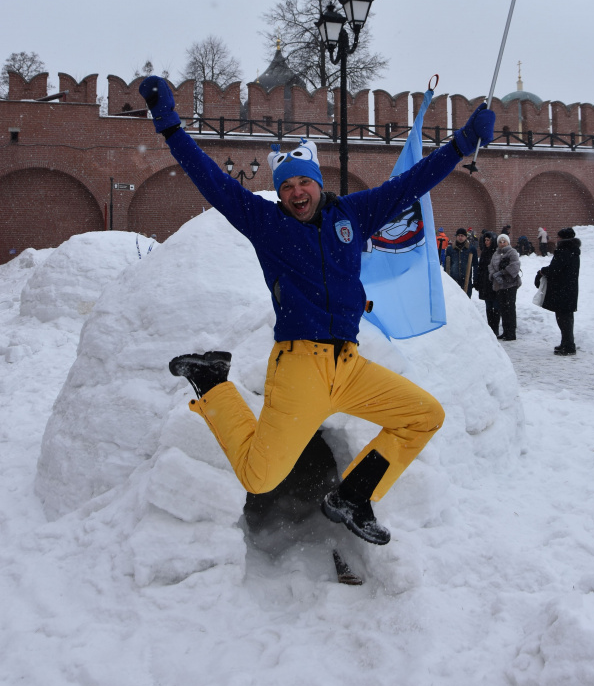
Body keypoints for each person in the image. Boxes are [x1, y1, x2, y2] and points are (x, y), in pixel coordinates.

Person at [139, 75, 495, 546]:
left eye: (305, 181)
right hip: (300, 368)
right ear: (280, 193)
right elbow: (213, 182)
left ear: (318, 182)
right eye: (287, 187)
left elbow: (412, 183)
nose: (297, 193)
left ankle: (353, 496)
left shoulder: (352, 214)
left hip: (348, 367)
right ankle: (214, 385)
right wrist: (169, 126)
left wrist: (461, 144)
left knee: (424, 415)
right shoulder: (266, 223)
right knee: (259, 478)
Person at [535, 226, 581, 355]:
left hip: (562, 289)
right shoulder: (574, 251)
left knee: (563, 318)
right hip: (570, 289)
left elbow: (555, 269)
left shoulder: (563, 251)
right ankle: (567, 343)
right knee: (567, 317)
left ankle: (568, 345)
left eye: (558, 237)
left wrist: (543, 271)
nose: (557, 239)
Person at [488, 233, 521, 340]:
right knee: (503, 309)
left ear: (508, 242)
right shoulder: (495, 254)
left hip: (510, 284)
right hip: (499, 285)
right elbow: (491, 266)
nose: (502, 244)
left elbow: (515, 266)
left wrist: (502, 273)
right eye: (500, 242)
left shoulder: (512, 252)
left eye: (504, 241)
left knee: (510, 308)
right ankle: (505, 331)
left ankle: (511, 332)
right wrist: (493, 275)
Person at [474, 230, 500, 335]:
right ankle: (490, 327)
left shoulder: (497, 252)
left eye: (488, 240)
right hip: (485, 282)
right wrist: (477, 281)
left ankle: (496, 328)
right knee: (488, 306)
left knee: (496, 306)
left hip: (494, 282)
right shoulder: (484, 252)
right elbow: (480, 268)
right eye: (485, 240)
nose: (486, 242)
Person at [445, 228, 477, 297]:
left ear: (465, 237)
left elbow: (475, 265)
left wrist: (475, 279)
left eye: (462, 236)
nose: (460, 237)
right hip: (453, 281)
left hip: (466, 280)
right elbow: (446, 265)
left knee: (466, 303)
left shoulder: (471, 249)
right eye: (459, 235)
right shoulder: (450, 249)